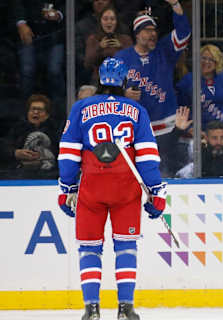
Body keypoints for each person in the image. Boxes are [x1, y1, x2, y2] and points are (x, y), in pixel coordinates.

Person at [57, 57, 166, 320]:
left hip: (91, 188)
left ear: (99, 80)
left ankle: (91, 309)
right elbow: (147, 156)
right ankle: (125, 308)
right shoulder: (136, 110)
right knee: (126, 246)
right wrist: (156, 191)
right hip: (125, 188)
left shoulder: (80, 108)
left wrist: (66, 188)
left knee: (90, 247)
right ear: (124, 82)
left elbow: (69, 153)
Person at [115, 0, 190, 176]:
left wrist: (176, 5)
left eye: (154, 30)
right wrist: (123, 93)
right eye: (148, 30)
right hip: (138, 130)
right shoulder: (122, 57)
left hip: (169, 127)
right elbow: (108, 90)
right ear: (137, 34)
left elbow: (183, 33)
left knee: (165, 176)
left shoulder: (164, 51)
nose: (153, 34)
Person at [13, 0, 66, 120]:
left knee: (55, 71)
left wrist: (59, 14)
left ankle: (60, 114)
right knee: (27, 71)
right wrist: (21, 23)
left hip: (55, 35)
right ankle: (25, 115)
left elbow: (73, 6)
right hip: (30, 32)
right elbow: (17, 4)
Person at [176, 44, 223, 131]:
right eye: (203, 58)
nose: (206, 62)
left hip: (219, 130)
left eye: (211, 59)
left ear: (217, 62)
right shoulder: (188, 80)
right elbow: (180, 108)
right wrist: (189, 129)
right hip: (197, 131)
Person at [3, 94, 59, 176]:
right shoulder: (18, 128)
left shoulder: (56, 130)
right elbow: (4, 147)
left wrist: (42, 156)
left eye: (40, 110)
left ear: (47, 115)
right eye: (33, 109)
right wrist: (16, 153)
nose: (35, 112)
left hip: (50, 177)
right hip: (19, 176)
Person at [84, 7, 133, 84]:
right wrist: (99, 47)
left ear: (117, 22)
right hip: (98, 80)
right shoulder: (93, 39)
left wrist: (121, 48)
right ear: (100, 21)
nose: (109, 22)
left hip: (122, 79)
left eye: (112, 19)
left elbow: (133, 62)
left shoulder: (126, 39)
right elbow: (87, 63)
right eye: (105, 19)